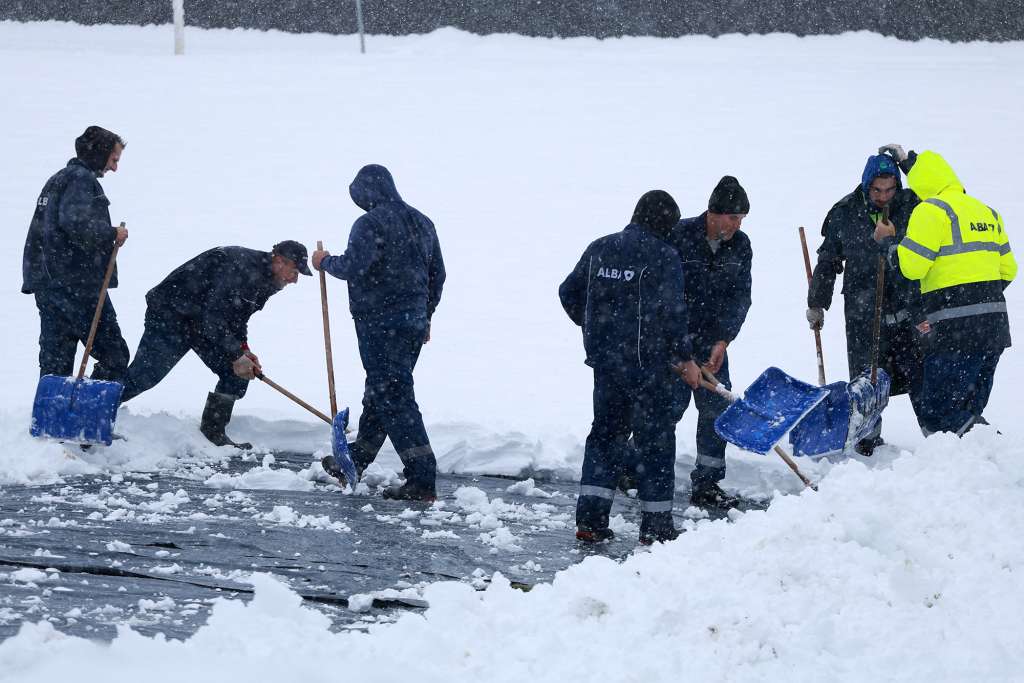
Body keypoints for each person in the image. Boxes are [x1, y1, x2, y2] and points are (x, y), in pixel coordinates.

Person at [559, 190, 701, 545]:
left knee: (605, 436)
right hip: (648, 368)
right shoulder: (664, 255)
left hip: (606, 366)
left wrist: (596, 328)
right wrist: (685, 359)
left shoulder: (600, 247)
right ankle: (656, 526)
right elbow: (674, 313)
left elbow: (568, 292)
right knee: (656, 442)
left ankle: (590, 521)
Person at [312, 164, 445, 502]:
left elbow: (354, 266)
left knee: (394, 396)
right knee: (381, 391)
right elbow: (438, 276)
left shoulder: (369, 223)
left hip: (380, 323)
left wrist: (324, 261)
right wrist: (425, 316)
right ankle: (355, 460)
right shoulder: (423, 223)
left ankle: (422, 478)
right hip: (412, 323)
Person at [120, 241, 311, 448]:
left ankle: (213, 432)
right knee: (145, 375)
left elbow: (237, 319)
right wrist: (236, 354)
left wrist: (244, 350)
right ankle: (96, 410)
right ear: (279, 261)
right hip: (172, 313)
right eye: (294, 272)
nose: (295, 280)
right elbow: (212, 317)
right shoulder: (240, 267)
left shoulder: (269, 281)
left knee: (237, 373)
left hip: (200, 321)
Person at [887, 146, 1016, 435]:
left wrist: (891, 245)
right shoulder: (987, 212)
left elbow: (912, 268)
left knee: (938, 412)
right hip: (994, 328)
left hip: (954, 330)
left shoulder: (930, 210)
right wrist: (980, 297)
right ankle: (982, 456)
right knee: (967, 408)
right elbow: (1009, 270)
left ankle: (993, 449)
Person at [806, 153, 924, 453]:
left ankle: (938, 437)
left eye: (890, 189)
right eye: (877, 190)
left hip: (908, 304)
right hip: (864, 308)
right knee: (867, 376)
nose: (884, 197)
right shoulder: (844, 212)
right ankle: (868, 441)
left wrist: (911, 164)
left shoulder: (914, 206)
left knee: (921, 373)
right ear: (865, 185)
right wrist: (817, 302)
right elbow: (828, 261)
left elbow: (949, 203)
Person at [665, 176, 753, 509]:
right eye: (733, 217)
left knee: (717, 410)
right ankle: (635, 468)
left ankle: (707, 482)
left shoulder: (741, 245)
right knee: (666, 409)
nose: (737, 225)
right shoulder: (679, 235)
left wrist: (723, 340)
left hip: (711, 343)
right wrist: (677, 343)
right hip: (673, 340)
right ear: (713, 213)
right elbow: (664, 292)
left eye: (742, 218)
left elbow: (740, 297)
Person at [22, 126, 130, 382]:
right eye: (113, 159)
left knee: (55, 364)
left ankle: (54, 408)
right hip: (78, 284)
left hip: (49, 285)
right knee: (114, 356)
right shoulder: (81, 180)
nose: (114, 168)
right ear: (100, 152)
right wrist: (111, 233)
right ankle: (87, 403)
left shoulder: (58, 179)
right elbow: (75, 223)